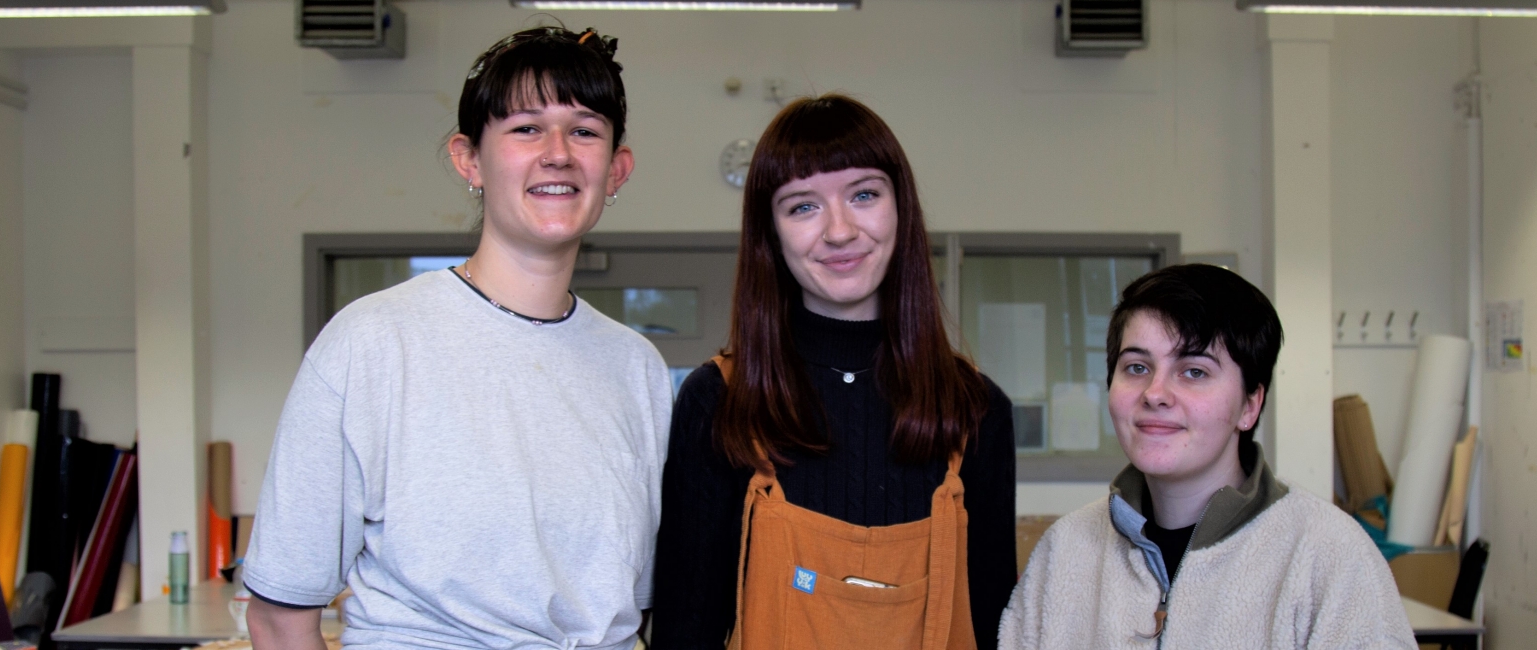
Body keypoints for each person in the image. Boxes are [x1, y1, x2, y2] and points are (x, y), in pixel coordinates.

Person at [244, 25, 670, 650]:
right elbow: (280, 618)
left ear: (616, 169)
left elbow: (638, 605)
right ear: (469, 158)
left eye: (584, 130)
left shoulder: (638, 369)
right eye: (525, 128)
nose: (558, 152)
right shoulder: (373, 344)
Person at [651, 95, 1018, 650]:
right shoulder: (718, 400)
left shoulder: (975, 409)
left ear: (902, 209)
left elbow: (994, 623)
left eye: (864, 194)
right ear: (770, 234)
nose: (840, 231)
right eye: (802, 206)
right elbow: (686, 629)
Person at [999, 264, 1415, 649]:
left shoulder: (1329, 555)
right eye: (1137, 367)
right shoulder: (1065, 550)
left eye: (1194, 371)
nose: (1155, 394)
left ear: (1250, 405)